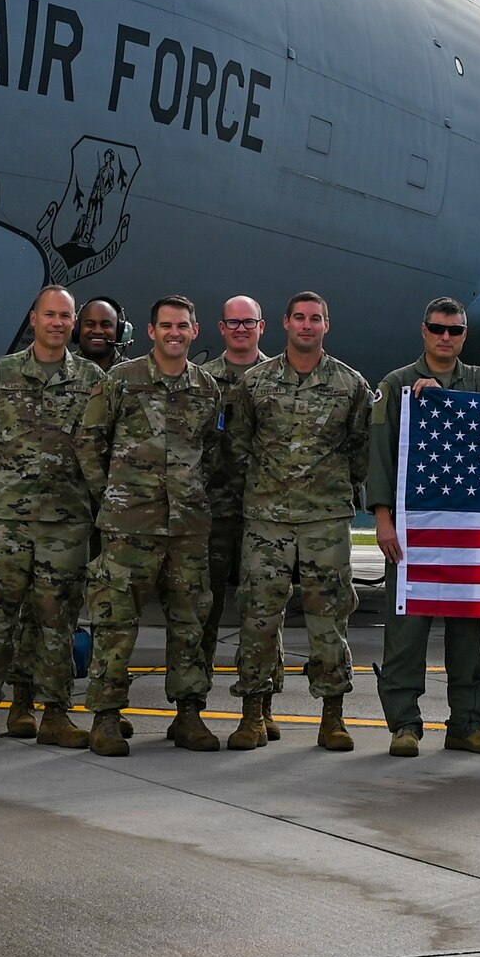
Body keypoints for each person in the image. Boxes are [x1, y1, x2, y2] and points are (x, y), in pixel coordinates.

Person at [0, 285, 104, 751]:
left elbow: (102, 440)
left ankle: (50, 712)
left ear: (73, 321)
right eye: (50, 315)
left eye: (65, 316)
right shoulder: (2, 373)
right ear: (34, 319)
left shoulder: (93, 378)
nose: (58, 323)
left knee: (56, 620)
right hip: (7, 520)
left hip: (65, 521)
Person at [75, 295, 226, 757]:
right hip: (129, 527)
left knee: (190, 624)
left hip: (187, 529)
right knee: (116, 622)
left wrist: (191, 492)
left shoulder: (207, 389)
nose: (174, 333)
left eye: (182, 325)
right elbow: (89, 441)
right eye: (166, 325)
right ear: (151, 330)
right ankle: (105, 716)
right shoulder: (121, 380)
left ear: (194, 331)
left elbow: (214, 450)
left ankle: (188, 715)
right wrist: (113, 493)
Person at [223, 292, 373, 753]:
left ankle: (332, 718)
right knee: (258, 618)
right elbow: (238, 444)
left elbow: (361, 451)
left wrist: (330, 489)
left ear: (327, 325)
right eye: (300, 318)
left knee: (329, 620)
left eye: (316, 319)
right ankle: (254, 713)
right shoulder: (255, 382)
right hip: (267, 520)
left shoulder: (350, 385)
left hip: (325, 520)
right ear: (285, 323)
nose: (307, 326)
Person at [366, 297, 480, 757]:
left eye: (455, 330)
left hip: (466, 530)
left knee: (468, 632)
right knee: (407, 631)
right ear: (423, 331)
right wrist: (383, 519)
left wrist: (452, 402)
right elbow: (380, 455)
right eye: (438, 328)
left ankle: (467, 723)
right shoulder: (398, 385)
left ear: (465, 334)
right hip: (413, 530)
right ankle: (404, 724)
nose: (446, 337)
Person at [0, 293, 130, 736]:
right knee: (39, 612)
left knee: (93, 613)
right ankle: (23, 702)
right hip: (55, 514)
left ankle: (102, 710)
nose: (96, 331)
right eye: (88, 323)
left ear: (120, 330)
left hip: (100, 513)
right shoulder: (20, 372)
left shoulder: (124, 379)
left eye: (105, 325)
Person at [200, 294, 277, 734]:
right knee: (202, 611)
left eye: (249, 323)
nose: (241, 329)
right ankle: (191, 708)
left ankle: (260, 707)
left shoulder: (278, 378)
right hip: (212, 514)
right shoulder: (202, 380)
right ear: (222, 328)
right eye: (234, 323)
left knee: (263, 613)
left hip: (264, 514)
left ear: (262, 327)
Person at [74, 297, 127, 373]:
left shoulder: (134, 373)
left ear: (119, 331)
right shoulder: (59, 368)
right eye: (90, 324)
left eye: (105, 325)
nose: (98, 331)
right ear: (77, 328)